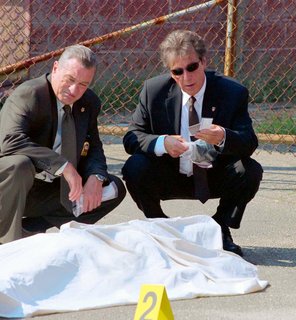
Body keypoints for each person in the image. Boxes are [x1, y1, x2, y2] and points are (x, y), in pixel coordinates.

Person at [122, 30, 263, 256]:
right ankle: (161, 227)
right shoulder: (153, 91)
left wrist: (224, 137)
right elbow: (131, 137)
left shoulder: (232, 92)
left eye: (192, 67)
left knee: (249, 170)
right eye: (177, 71)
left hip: (214, 172)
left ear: (204, 61)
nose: (186, 77)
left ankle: (219, 228)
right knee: (134, 167)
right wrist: (162, 142)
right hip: (171, 172)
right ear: (170, 72)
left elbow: (249, 142)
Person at [0, 44, 126, 244]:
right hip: (14, 186)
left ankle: (31, 228)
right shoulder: (30, 94)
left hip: (52, 189)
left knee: (113, 188)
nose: (75, 90)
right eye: (70, 79)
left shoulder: (89, 103)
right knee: (19, 165)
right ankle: (6, 239)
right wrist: (62, 166)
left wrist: (96, 176)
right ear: (56, 68)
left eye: (84, 84)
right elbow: (9, 141)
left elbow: (93, 146)